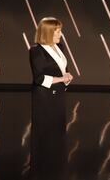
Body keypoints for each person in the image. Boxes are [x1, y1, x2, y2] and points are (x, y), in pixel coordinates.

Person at [29, 17, 73, 180]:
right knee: (44, 133)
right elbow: (39, 78)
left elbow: (62, 69)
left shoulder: (59, 46)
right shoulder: (36, 50)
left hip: (58, 95)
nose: (61, 34)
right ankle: (41, 172)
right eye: (58, 31)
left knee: (57, 132)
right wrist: (61, 79)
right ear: (48, 32)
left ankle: (56, 170)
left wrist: (66, 77)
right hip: (44, 97)